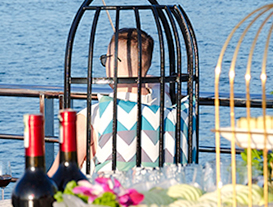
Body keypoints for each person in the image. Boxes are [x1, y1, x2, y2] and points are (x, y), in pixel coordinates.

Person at [81, 26, 193, 172]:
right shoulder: (164, 100)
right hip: (163, 188)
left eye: (106, 59)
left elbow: (58, 176)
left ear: (113, 62)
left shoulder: (92, 116)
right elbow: (155, 83)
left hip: (109, 192)